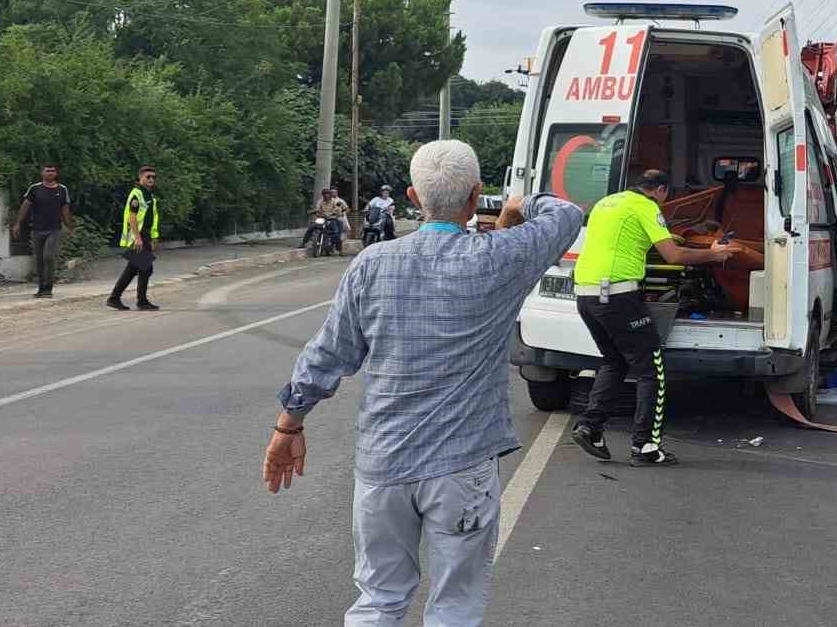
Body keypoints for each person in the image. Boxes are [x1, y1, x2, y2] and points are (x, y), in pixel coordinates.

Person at [263, 140, 583, 625]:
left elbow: (328, 353)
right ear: (476, 195)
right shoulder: (501, 258)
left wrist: (289, 426)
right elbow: (566, 215)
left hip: (383, 464)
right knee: (455, 603)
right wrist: (520, 202)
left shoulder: (372, 264)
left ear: (413, 196)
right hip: (462, 466)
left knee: (379, 598)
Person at [570, 170, 735, 467]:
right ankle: (645, 446)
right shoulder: (647, 207)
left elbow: (625, 240)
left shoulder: (607, 203)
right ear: (660, 190)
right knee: (651, 368)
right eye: (665, 196)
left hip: (585, 295)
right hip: (619, 297)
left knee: (614, 360)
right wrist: (714, 255)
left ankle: (590, 427)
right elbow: (673, 256)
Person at [12, 164, 73, 298]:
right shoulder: (34, 188)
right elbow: (25, 206)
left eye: (53, 171)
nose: (50, 173)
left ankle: (48, 288)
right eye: (48, 171)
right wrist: (17, 223)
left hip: (54, 229)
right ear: (42, 173)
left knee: (48, 257)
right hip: (36, 229)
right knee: (39, 260)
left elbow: (65, 209)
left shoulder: (62, 189)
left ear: (56, 173)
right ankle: (41, 288)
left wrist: (69, 226)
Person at [107, 166, 160, 312]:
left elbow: (152, 217)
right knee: (146, 268)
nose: (151, 179)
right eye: (148, 177)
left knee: (134, 268)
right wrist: (138, 238)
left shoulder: (149, 195)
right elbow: (132, 217)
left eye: (153, 177)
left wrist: (154, 237)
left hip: (145, 235)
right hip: (138, 235)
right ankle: (140, 302)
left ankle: (115, 298)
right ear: (140, 178)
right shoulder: (137, 194)